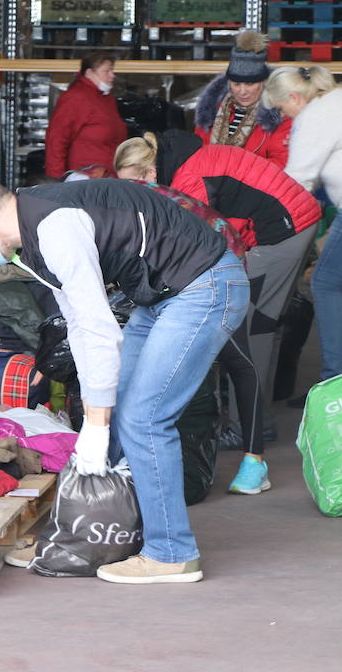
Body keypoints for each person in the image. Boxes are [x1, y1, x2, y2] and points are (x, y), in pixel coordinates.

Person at [0, 177, 248, 584]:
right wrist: (95, 417)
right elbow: (80, 327)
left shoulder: (55, 227)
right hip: (161, 295)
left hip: (202, 286)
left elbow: (100, 329)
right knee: (115, 409)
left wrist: (98, 423)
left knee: (144, 419)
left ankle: (172, 553)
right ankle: (87, 536)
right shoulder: (30, 234)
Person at [114, 130, 320, 495]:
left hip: (282, 229)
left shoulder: (186, 180)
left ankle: (251, 437)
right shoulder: (184, 161)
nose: (133, 193)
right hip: (277, 223)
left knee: (249, 332)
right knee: (256, 328)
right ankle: (254, 430)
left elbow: (202, 240)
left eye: (132, 184)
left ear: (147, 172)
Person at [265, 64, 342, 384]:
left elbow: (297, 181)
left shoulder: (315, 115)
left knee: (323, 282)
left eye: (282, 108)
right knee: (337, 279)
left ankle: (335, 378)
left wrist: (263, 221)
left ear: (294, 97)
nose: (283, 117)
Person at [192, 29, 290, 168]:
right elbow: (195, 155)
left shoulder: (279, 116)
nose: (242, 92)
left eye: (250, 84)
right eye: (236, 84)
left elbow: (282, 164)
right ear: (228, 83)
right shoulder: (211, 112)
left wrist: (233, 169)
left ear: (263, 82)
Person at [43, 52, 128, 180]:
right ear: (89, 73)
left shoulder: (107, 99)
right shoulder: (76, 98)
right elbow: (57, 139)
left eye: (112, 71)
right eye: (107, 71)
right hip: (84, 177)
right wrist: (55, 179)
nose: (112, 75)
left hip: (105, 176)